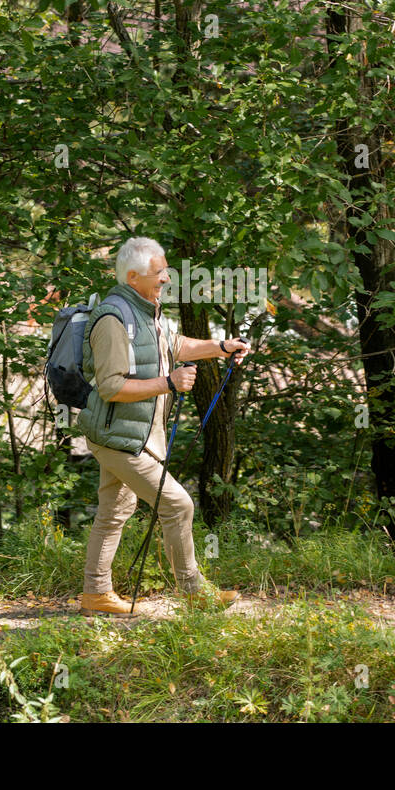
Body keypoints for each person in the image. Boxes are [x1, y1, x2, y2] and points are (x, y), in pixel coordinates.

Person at [77, 237, 250, 615]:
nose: (167, 279)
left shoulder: (146, 311)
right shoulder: (113, 319)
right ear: (134, 276)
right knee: (177, 504)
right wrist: (168, 383)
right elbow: (111, 387)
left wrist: (221, 347)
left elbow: (175, 345)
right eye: (160, 273)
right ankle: (193, 591)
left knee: (113, 512)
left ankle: (95, 593)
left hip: (132, 435)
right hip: (118, 438)